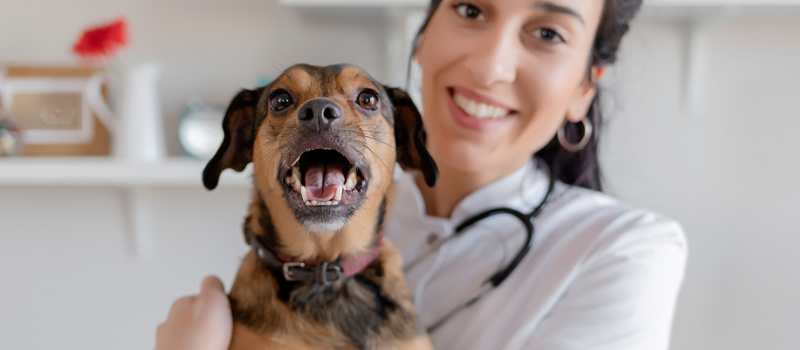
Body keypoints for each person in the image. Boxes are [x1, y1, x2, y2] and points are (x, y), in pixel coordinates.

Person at [156, 0, 687, 349]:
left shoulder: (628, 249)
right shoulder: (334, 212)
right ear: (422, 38)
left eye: (547, 32)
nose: (489, 66)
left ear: (584, 88)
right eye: (470, 8)